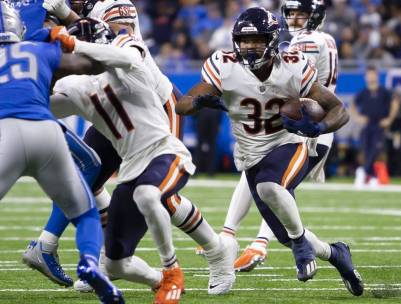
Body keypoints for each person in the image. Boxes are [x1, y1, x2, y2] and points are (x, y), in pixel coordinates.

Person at [177, 6, 363, 295]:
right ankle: (336, 254)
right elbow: (182, 105)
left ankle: (300, 244)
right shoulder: (223, 64)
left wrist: (319, 128)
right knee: (283, 233)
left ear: (273, 40)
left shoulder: (293, 64)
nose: (249, 47)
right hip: (250, 155)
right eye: (244, 40)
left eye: (258, 40)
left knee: (269, 188)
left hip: (287, 143)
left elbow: (339, 109)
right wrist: (199, 102)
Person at [49, 17, 238, 302]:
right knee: (116, 260)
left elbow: (123, 55)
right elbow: (46, 106)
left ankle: (183, 264)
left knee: (152, 195)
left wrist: (74, 43)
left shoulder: (125, 45)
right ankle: (157, 277)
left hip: (164, 144)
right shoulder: (75, 84)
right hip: (130, 164)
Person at [0, 3, 123, 304]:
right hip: (43, 130)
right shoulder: (37, 49)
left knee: (91, 165)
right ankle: (90, 263)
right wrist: (91, 42)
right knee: (86, 209)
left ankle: (46, 245)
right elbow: (90, 66)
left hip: (5, 135)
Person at [234, 0, 337, 271]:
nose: (294, 18)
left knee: (275, 186)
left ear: (315, 15)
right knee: (259, 176)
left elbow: (294, 83)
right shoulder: (315, 39)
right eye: (290, 13)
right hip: (301, 123)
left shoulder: (310, 41)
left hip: (307, 126)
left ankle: (257, 243)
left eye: (301, 13)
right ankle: (235, 236)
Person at [351, 66, 399, 186]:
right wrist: (357, 117)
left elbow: (395, 103)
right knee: (367, 151)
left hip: (379, 125)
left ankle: (362, 171)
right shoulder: (363, 93)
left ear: (377, 76)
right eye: (369, 74)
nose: (371, 77)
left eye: (373, 74)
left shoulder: (384, 92)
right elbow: (352, 105)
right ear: (366, 77)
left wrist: (389, 119)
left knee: (375, 149)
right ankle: (372, 176)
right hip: (367, 126)